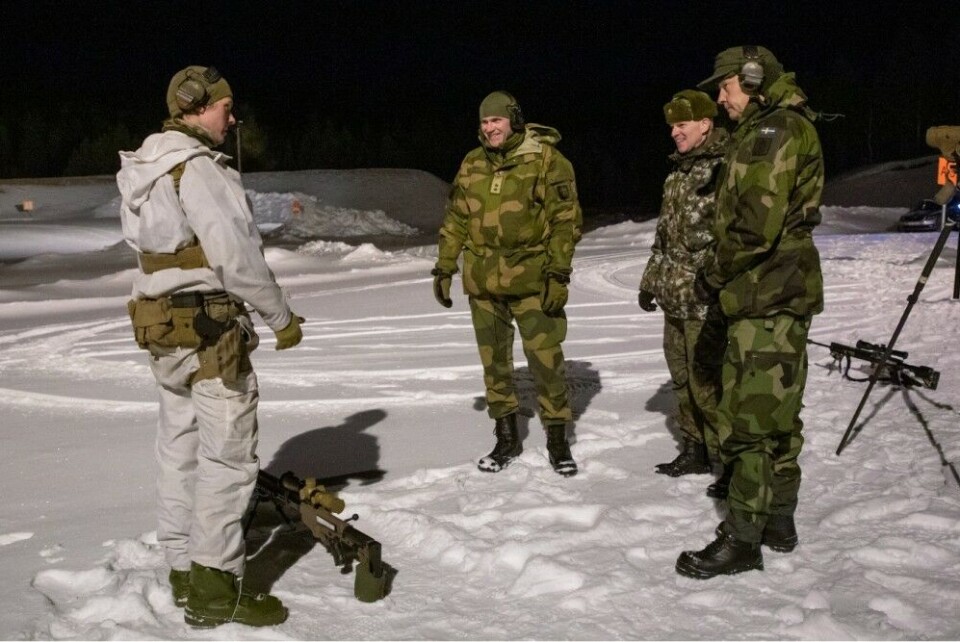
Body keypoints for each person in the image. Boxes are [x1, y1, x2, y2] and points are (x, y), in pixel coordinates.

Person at [117, 66, 303, 626]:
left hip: (160, 327)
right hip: (209, 331)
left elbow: (147, 252)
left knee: (178, 448)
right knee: (227, 458)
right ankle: (215, 590)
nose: (232, 116)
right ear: (198, 107)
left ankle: (180, 570)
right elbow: (236, 257)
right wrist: (281, 317)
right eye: (225, 106)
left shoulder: (144, 167)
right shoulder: (198, 169)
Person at [675, 46, 825, 579]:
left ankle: (743, 538)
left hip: (766, 294)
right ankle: (778, 518)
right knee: (778, 415)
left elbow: (754, 228)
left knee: (749, 422)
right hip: (778, 293)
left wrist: (712, 273)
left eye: (726, 87)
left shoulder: (772, 132)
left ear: (755, 80)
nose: (719, 97)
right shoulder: (775, 127)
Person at [432, 90, 582, 477]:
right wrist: (445, 267)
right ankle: (506, 438)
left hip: (532, 279)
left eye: (496, 120)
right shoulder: (472, 163)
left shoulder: (546, 159)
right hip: (483, 282)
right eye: (484, 122)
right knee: (494, 365)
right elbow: (456, 220)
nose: (490, 128)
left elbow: (565, 222)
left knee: (546, 361)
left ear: (513, 119)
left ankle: (557, 440)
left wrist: (558, 274)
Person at [638, 89, 728, 482]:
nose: (675, 132)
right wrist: (649, 282)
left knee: (709, 384)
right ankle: (695, 450)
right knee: (682, 379)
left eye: (682, 124)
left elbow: (733, 238)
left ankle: (729, 465)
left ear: (706, 123)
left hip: (706, 300)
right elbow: (664, 237)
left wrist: (718, 285)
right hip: (674, 297)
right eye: (672, 125)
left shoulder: (726, 167)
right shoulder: (677, 172)